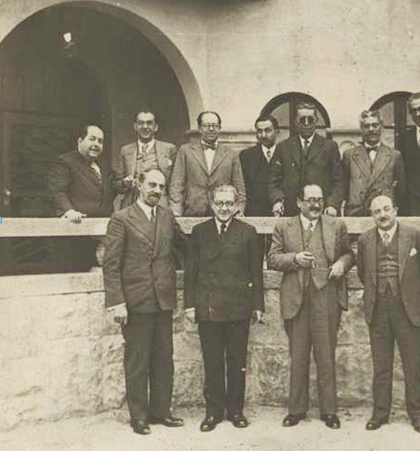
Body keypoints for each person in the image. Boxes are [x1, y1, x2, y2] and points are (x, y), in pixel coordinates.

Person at [103, 168, 186, 435]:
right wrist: (117, 302)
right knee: (137, 360)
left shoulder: (167, 216)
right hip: (136, 300)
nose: (156, 191)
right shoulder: (121, 218)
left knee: (164, 358)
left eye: (161, 187)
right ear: (139, 185)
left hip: (163, 300)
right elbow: (111, 264)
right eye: (152, 185)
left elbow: (185, 246)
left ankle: (161, 411)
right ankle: (138, 416)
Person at [267, 184, 354, 429]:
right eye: (310, 200)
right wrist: (294, 258)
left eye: (319, 199)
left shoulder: (336, 225)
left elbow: (349, 254)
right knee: (298, 355)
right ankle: (296, 410)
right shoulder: (284, 226)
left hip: (326, 297)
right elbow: (272, 258)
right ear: (299, 202)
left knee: (326, 355)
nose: (316, 204)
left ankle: (329, 411)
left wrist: (342, 264)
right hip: (297, 298)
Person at [184, 184, 264, 432]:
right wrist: (189, 305)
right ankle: (213, 412)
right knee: (213, 362)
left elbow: (256, 272)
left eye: (229, 203)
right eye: (219, 203)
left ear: (237, 205)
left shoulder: (248, 232)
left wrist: (258, 305)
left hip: (238, 307)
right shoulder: (199, 232)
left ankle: (236, 410)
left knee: (237, 362)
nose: (224, 208)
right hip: (208, 308)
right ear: (211, 205)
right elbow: (191, 273)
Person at [356, 194, 420, 433]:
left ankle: (418, 415)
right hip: (378, 309)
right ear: (372, 216)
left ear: (396, 210)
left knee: (413, 365)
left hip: (407, 309)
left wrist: (410, 294)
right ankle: (380, 413)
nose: (383, 214)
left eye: (386, 209)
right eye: (377, 211)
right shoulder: (365, 241)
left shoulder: (415, 236)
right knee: (381, 365)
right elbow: (363, 273)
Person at [48, 124, 114, 271]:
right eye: (92, 139)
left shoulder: (103, 165)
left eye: (100, 141)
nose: (96, 144)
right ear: (80, 141)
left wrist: (126, 184)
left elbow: (111, 188)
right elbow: (58, 191)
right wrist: (69, 211)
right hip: (75, 231)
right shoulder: (65, 162)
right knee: (74, 273)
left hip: (100, 233)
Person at [267, 103, 343, 217]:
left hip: (321, 211)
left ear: (316, 121)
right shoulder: (283, 147)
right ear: (296, 122)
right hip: (290, 212)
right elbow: (273, 181)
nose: (306, 123)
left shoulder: (329, 147)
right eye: (302, 120)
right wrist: (277, 201)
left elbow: (338, 181)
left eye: (310, 119)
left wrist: (332, 204)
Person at [169, 111, 246, 216]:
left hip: (222, 213)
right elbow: (177, 184)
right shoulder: (185, 151)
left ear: (219, 128)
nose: (211, 129)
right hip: (193, 212)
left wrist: (239, 210)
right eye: (206, 125)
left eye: (215, 126)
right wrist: (176, 211)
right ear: (200, 128)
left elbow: (239, 186)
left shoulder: (231, 154)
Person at [342, 110, 406, 216]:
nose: (371, 129)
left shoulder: (394, 156)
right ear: (361, 129)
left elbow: (401, 191)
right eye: (366, 126)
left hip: (383, 214)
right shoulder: (349, 155)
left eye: (375, 125)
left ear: (381, 127)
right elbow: (343, 187)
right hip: (356, 214)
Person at [114, 110, 177, 210]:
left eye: (149, 123)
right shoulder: (125, 150)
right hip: (132, 205)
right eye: (141, 123)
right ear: (135, 126)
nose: (145, 127)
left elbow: (175, 183)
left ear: (155, 127)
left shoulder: (169, 149)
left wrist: (174, 208)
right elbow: (117, 184)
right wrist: (125, 183)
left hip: (159, 204)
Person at [239, 115, 279, 217]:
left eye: (267, 130)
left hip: (280, 213)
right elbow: (242, 186)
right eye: (260, 131)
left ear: (277, 131)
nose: (263, 135)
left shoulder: (286, 153)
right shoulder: (246, 156)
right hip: (254, 213)